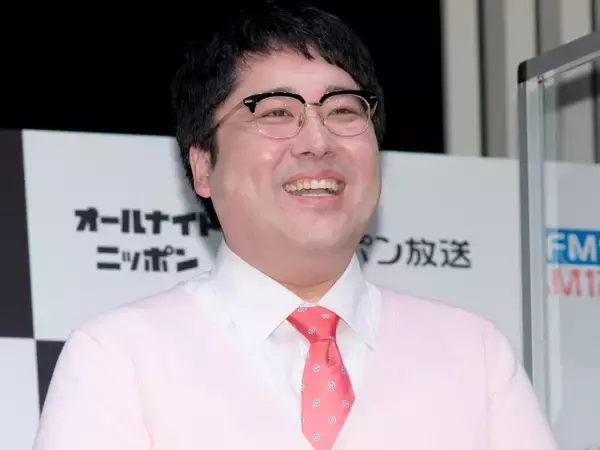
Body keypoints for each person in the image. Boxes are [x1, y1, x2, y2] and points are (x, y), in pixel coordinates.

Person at [32, 3, 557, 450]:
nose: (317, 142)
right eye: (276, 113)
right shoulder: (118, 358)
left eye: (344, 111)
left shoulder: (473, 353)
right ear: (203, 166)